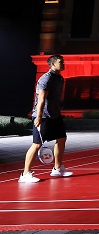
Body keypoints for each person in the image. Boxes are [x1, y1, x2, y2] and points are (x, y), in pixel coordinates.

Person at [20, 55, 73, 183]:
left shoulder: (59, 78)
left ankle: (57, 169)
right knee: (37, 144)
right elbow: (41, 99)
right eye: (61, 62)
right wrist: (38, 117)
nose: (63, 63)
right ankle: (25, 174)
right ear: (53, 64)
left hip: (55, 115)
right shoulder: (46, 78)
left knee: (61, 139)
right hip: (43, 116)